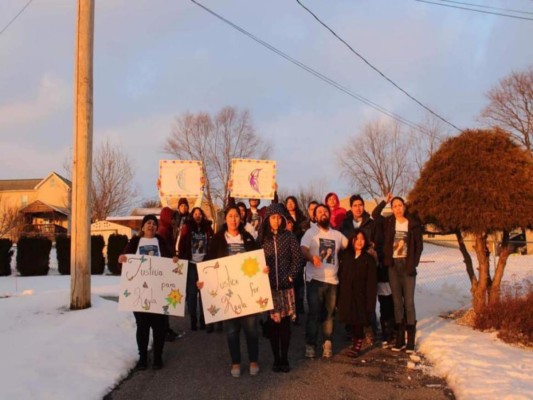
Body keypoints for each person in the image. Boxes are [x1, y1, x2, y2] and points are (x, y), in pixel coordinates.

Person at [198, 205, 264, 378]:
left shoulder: (248, 238)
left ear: (240, 219)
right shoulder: (218, 239)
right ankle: (235, 362)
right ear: (225, 219)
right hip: (227, 292)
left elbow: (258, 259)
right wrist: (202, 279)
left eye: (236, 216)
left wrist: (264, 270)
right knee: (232, 330)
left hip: (248, 291)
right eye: (230, 216)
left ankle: (254, 360)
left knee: (251, 328)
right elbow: (208, 261)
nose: (233, 219)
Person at [119, 215, 177, 371]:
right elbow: (125, 258)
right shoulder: (135, 242)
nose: (151, 225)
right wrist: (122, 258)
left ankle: (157, 357)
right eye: (148, 223)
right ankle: (143, 358)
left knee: (159, 327)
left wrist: (175, 260)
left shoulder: (161, 242)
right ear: (142, 227)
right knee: (142, 327)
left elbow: (172, 259)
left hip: (159, 291)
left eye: (154, 223)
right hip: (140, 292)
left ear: (157, 227)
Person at [372, 193, 423, 353]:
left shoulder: (413, 224)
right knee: (396, 302)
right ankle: (400, 340)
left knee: (408, 302)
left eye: (400, 205)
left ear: (404, 207)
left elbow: (419, 246)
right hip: (393, 266)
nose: (397, 209)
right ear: (392, 209)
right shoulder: (389, 222)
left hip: (407, 266)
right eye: (394, 206)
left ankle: (410, 341)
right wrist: (384, 201)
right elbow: (374, 214)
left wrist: (413, 263)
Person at [300, 204, 348, 358]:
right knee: (314, 314)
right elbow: (303, 249)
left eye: (325, 211)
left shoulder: (337, 235)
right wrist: (311, 257)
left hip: (332, 281)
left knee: (329, 314)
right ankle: (311, 344)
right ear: (315, 216)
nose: (323, 214)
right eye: (319, 212)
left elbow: (352, 245)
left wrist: (369, 247)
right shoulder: (310, 233)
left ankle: (327, 342)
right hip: (315, 280)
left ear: (329, 215)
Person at [259, 203, 303, 372]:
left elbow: (298, 258)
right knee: (273, 327)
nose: (276, 221)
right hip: (269, 288)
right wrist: (261, 270)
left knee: (285, 326)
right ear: (268, 220)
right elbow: (254, 260)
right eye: (272, 217)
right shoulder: (263, 239)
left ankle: (284, 358)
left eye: (278, 217)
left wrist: (291, 276)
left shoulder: (289, 236)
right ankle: (276, 358)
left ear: (283, 219)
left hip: (285, 289)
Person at [338, 230, 377, 357]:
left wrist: (371, 301)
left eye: (362, 239)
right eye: (357, 239)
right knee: (351, 320)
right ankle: (354, 340)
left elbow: (372, 282)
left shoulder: (368, 259)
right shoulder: (346, 256)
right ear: (352, 240)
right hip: (347, 293)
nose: (359, 242)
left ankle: (357, 345)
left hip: (362, 294)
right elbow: (341, 275)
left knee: (359, 321)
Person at [177, 207, 214, 331]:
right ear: (192, 216)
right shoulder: (187, 228)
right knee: (192, 294)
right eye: (195, 214)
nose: (198, 216)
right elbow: (182, 244)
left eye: (200, 214)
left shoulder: (208, 228)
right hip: (191, 264)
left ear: (203, 216)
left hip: (204, 264)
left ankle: (204, 319)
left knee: (205, 293)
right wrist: (182, 260)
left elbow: (212, 243)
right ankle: (193, 318)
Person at [157, 207, 185, 341]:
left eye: (175, 218)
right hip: (165, 270)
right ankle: (164, 330)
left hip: (167, 268)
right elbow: (164, 250)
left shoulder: (167, 230)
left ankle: (165, 328)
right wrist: (172, 256)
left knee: (166, 301)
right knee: (164, 302)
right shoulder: (163, 231)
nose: (174, 220)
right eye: (173, 218)